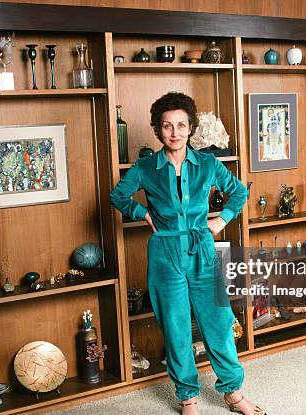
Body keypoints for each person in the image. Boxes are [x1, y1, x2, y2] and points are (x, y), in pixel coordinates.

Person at [110, 92, 266, 415]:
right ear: (158, 130)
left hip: (202, 252)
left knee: (220, 323)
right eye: (167, 126)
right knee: (177, 327)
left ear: (190, 127)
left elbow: (238, 192)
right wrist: (144, 215)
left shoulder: (208, 164)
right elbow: (118, 196)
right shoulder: (146, 167)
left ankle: (233, 393)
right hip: (165, 255)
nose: (175, 132)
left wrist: (220, 221)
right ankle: (188, 398)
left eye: (181, 125)